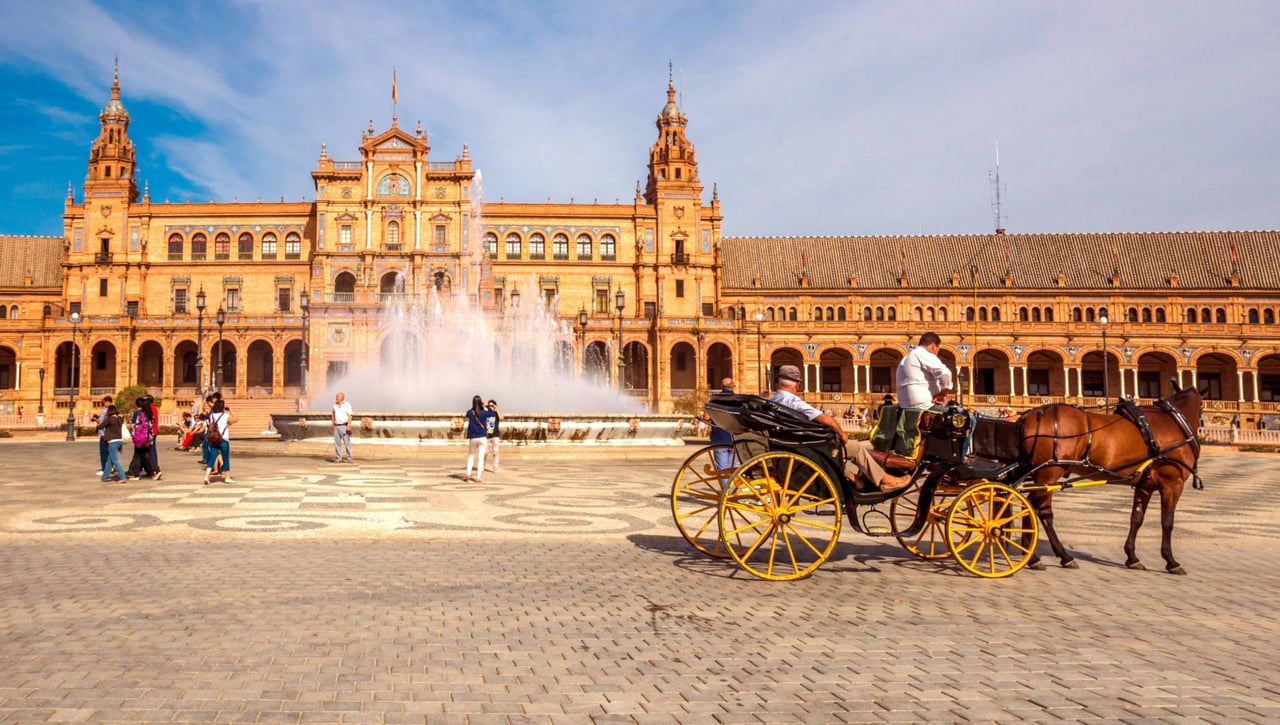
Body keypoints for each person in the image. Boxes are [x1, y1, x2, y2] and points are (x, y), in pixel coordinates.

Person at [769, 365, 911, 492]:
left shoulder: (772, 401)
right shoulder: (793, 402)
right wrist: (842, 433)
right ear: (797, 385)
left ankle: (857, 480)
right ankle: (885, 480)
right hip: (809, 448)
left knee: (836, 453)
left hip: (791, 446)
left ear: (778, 382)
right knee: (855, 447)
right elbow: (827, 420)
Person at [896, 332, 953, 409]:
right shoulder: (922, 353)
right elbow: (946, 373)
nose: (937, 353)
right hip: (926, 405)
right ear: (933, 346)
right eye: (937, 350)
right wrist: (943, 393)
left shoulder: (906, 358)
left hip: (906, 405)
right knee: (967, 417)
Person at [706, 377, 737, 473]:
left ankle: (726, 488)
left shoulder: (715, 399)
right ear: (733, 387)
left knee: (722, 469)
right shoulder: (738, 400)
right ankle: (731, 488)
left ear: (721, 387)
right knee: (733, 468)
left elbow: (706, 417)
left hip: (719, 437)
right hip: (735, 438)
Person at [126, 396, 161, 481]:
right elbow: (150, 426)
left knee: (137, 455)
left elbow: (136, 426)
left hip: (140, 438)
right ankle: (155, 470)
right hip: (147, 437)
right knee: (147, 455)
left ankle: (137, 474)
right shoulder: (150, 415)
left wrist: (131, 427)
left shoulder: (140, 415)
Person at [203, 398, 236, 484]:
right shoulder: (225, 415)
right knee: (225, 458)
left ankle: (207, 476)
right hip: (223, 439)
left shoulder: (211, 415)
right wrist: (231, 410)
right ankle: (227, 477)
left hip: (214, 439)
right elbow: (235, 419)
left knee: (212, 458)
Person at [463, 395, 496, 482]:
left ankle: (468, 474)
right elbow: (493, 414)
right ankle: (478, 477)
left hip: (473, 437)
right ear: (481, 402)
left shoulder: (470, 412)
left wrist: (476, 405)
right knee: (481, 458)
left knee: (471, 456)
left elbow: (467, 414)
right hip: (482, 437)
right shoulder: (484, 412)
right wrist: (487, 406)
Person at [96, 405, 128, 482]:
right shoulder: (120, 418)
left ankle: (123, 477)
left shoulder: (109, 419)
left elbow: (100, 427)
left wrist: (98, 423)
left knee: (115, 460)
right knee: (110, 460)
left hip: (112, 441)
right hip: (119, 441)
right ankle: (104, 477)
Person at [92, 395, 113, 476]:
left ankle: (104, 468)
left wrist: (95, 419)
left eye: (104, 403)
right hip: (110, 434)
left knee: (103, 452)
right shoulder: (113, 410)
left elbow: (102, 422)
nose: (103, 404)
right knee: (109, 452)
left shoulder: (106, 410)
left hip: (104, 433)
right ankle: (110, 467)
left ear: (107, 402)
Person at [331, 391, 354, 463]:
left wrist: (348, 426)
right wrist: (332, 422)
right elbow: (333, 414)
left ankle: (349, 458)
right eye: (336, 396)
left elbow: (350, 415)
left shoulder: (347, 405)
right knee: (337, 443)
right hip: (336, 426)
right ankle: (338, 458)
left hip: (344, 425)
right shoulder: (334, 405)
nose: (336, 398)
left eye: (337, 396)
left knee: (347, 443)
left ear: (342, 398)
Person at [484, 400, 502, 472]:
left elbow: (501, 418)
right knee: (485, 452)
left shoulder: (496, 413)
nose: (490, 407)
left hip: (495, 435)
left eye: (492, 405)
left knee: (495, 452)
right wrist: (485, 406)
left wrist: (496, 409)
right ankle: (482, 466)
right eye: (489, 405)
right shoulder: (486, 413)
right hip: (487, 435)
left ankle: (495, 468)